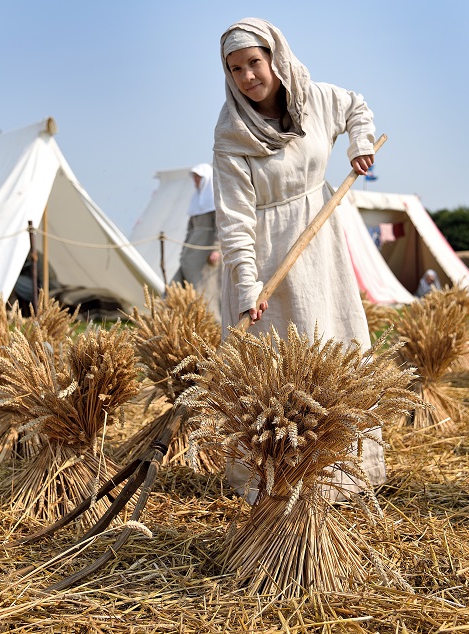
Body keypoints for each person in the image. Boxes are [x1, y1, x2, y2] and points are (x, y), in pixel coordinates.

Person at [212, 17, 385, 502]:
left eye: (254, 62)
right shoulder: (230, 137)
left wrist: (360, 144)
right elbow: (234, 220)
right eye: (236, 69)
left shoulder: (315, 98)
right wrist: (248, 284)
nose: (248, 76)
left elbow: (357, 107)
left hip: (318, 248)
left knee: (329, 350)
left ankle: (338, 478)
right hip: (266, 261)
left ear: (275, 58)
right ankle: (276, 488)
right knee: (273, 374)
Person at [171, 163, 222, 321]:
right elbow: (190, 229)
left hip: (205, 253)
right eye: (195, 178)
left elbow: (219, 226)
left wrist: (216, 249)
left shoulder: (214, 201)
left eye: (198, 178)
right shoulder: (196, 202)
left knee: (204, 289)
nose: (196, 181)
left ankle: (211, 323)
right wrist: (184, 251)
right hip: (191, 252)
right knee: (178, 286)